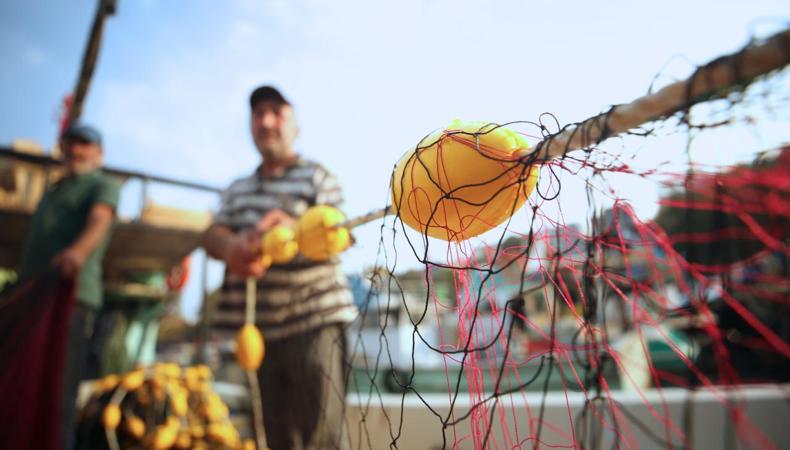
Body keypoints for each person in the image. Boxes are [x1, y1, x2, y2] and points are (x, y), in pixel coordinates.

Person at [202, 86, 357, 450]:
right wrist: (232, 247)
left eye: (277, 112)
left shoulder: (317, 176)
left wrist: (295, 228)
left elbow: (343, 234)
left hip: (315, 321)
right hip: (260, 335)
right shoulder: (237, 189)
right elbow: (211, 235)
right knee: (272, 437)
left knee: (322, 437)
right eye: (258, 114)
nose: (266, 121)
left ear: (296, 127)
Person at [18, 122, 120, 450]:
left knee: (58, 392)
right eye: (70, 144)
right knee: (27, 386)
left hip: (71, 298)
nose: (75, 151)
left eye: (84, 145)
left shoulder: (101, 184)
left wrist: (76, 253)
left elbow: (100, 220)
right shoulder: (56, 188)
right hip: (34, 296)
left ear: (99, 153)